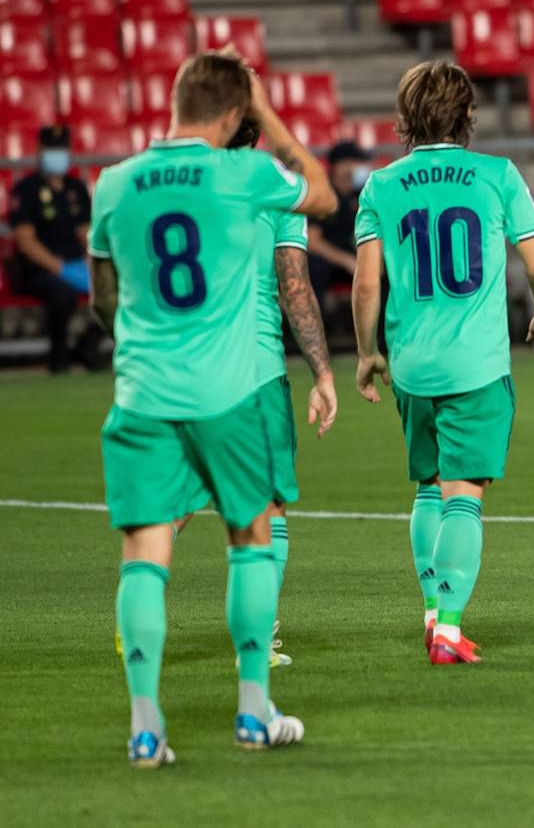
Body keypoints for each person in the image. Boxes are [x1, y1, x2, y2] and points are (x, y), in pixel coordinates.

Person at [88, 51, 338, 767]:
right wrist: (272, 121)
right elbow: (321, 196)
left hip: (142, 394)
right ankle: (253, 710)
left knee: (144, 554)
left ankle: (145, 726)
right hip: (229, 394)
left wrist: (137, 346)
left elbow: (104, 297)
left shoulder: (112, 184)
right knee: (252, 536)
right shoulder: (245, 171)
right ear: (235, 114)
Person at [352, 60, 534, 665]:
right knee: (463, 491)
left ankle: (430, 608)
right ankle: (447, 626)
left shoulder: (381, 186)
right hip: (476, 364)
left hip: (412, 365)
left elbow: (368, 286)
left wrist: (369, 354)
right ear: (468, 116)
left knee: (427, 486)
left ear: (405, 118)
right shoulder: (497, 175)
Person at [7, 125, 103, 371]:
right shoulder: (26, 190)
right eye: (51, 149)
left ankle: (88, 343)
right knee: (62, 294)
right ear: (39, 151)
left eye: (61, 149)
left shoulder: (76, 189)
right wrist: (60, 268)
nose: (57, 154)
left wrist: (93, 264)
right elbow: (26, 241)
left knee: (114, 288)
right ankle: (58, 357)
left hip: (74, 263)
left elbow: (85, 233)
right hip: (36, 269)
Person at [307, 140, 370, 308]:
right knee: (314, 265)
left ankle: (382, 331)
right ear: (337, 166)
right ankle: (317, 328)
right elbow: (312, 242)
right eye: (351, 163)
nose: (356, 168)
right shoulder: (322, 195)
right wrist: (346, 260)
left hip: (355, 258)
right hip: (331, 262)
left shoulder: (363, 194)